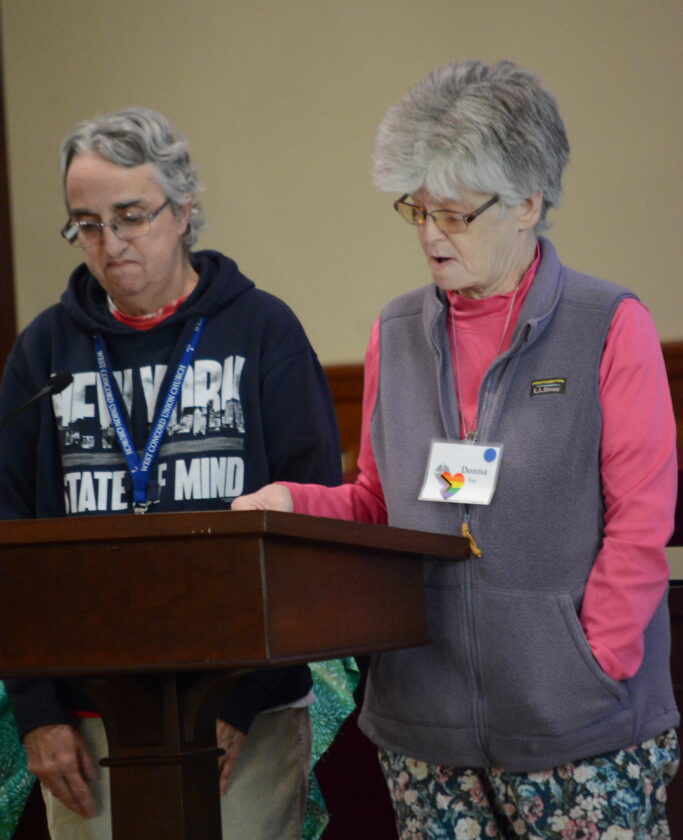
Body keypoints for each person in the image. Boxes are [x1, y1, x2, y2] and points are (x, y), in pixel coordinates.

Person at [233, 60, 680, 839]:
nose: (430, 235)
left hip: (579, 728)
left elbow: (639, 521)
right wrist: (292, 502)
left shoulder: (607, 323)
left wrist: (590, 666)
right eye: (416, 210)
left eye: (456, 215)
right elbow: (379, 502)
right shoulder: (396, 331)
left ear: (527, 204)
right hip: (425, 728)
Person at [0, 107, 341, 840]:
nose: (109, 243)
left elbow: (309, 528)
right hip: (86, 722)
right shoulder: (42, 352)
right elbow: (10, 537)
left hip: (240, 714)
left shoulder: (263, 333)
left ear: (184, 209)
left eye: (130, 216)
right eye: (86, 223)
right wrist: (38, 711)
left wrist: (239, 701)